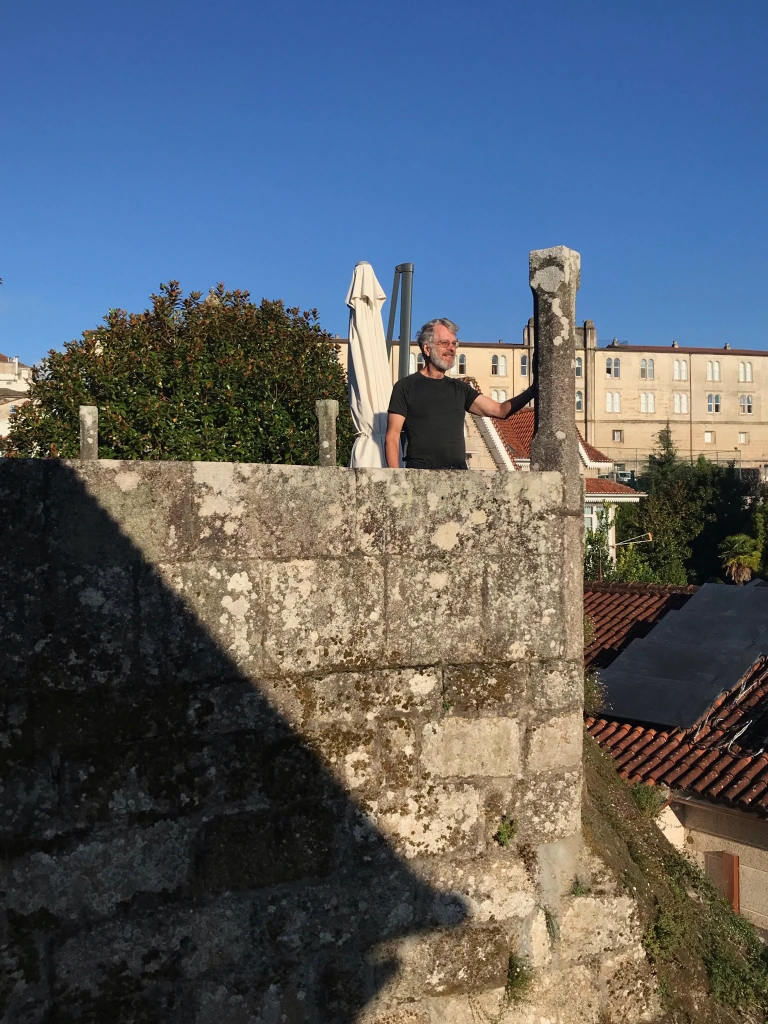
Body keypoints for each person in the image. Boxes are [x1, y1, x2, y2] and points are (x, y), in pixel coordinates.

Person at [385, 318, 536, 469]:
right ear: (426, 349)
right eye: (444, 343)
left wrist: (532, 391)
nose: (451, 349)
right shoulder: (405, 387)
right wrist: (396, 478)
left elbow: (500, 410)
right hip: (419, 477)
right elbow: (392, 436)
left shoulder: (460, 388)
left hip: (457, 478)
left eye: (454, 344)